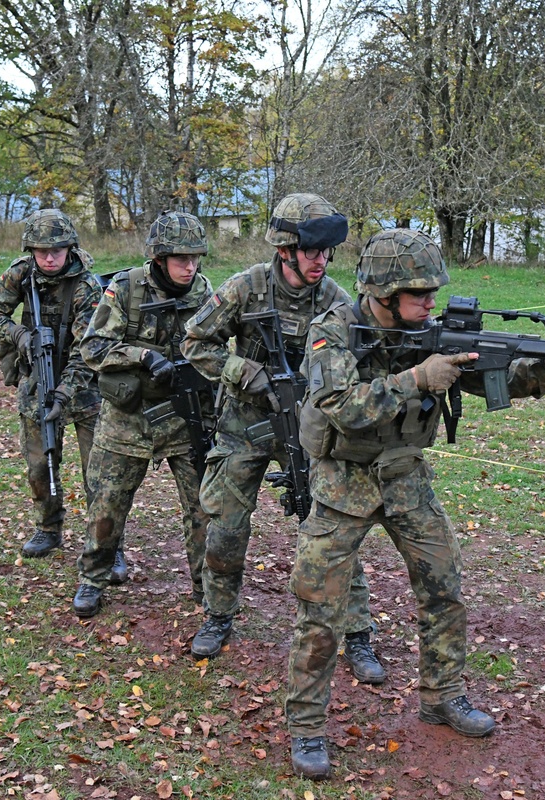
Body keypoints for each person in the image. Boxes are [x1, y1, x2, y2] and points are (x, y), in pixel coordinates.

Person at [284, 228, 545, 779]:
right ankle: (307, 726)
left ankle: (443, 695)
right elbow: (340, 406)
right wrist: (415, 379)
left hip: (406, 477)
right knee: (320, 613)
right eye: (419, 294)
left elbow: (494, 376)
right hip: (342, 485)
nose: (431, 304)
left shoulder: (435, 331)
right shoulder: (331, 331)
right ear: (382, 294)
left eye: (433, 293)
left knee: (444, 590)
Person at [180, 193, 383, 673]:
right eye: (312, 251)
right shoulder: (245, 288)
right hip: (243, 426)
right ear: (286, 249)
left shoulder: (336, 300)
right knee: (224, 527)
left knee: (333, 534)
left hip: (309, 432)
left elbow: (364, 363)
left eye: (327, 251)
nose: (321, 260)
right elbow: (193, 340)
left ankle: (356, 634)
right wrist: (237, 368)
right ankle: (217, 614)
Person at [71, 210, 214, 618]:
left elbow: (218, 349)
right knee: (107, 504)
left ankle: (206, 589)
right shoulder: (126, 289)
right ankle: (94, 577)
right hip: (127, 417)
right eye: (180, 259)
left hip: (185, 419)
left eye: (195, 258)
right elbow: (93, 348)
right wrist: (144, 356)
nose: (189, 266)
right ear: (158, 258)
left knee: (203, 508)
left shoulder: (203, 294)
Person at [0, 209, 126, 582]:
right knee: (39, 466)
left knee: (102, 477)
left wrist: (64, 393)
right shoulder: (21, 272)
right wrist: (18, 335)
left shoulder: (88, 287)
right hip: (35, 387)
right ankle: (48, 528)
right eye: (41, 250)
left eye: (57, 250)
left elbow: (89, 350)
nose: (49, 258)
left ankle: (109, 547)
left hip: (86, 391)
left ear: (70, 248)